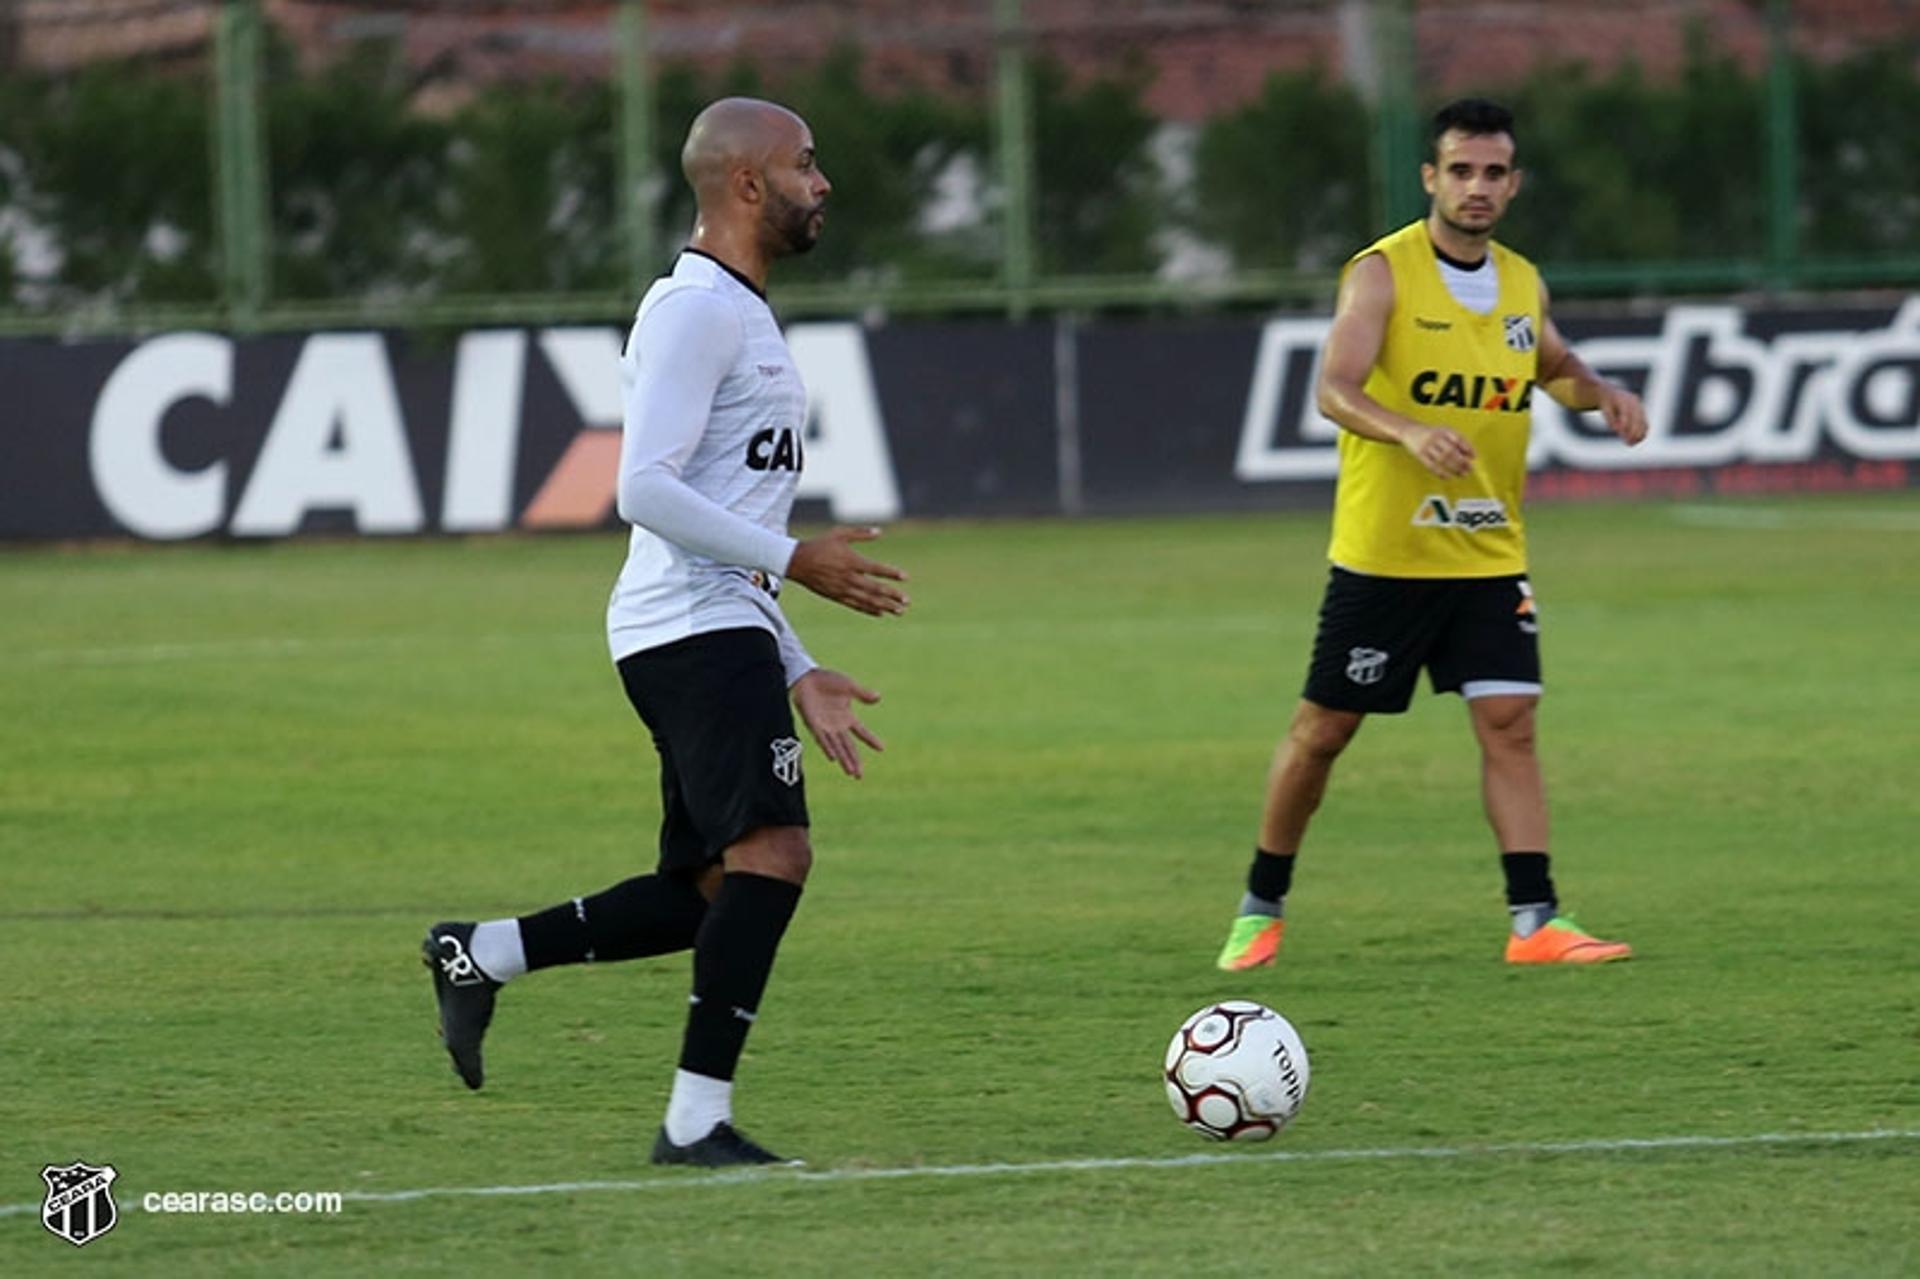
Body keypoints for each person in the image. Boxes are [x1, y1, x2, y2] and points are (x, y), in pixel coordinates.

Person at [423, 97, 910, 1167]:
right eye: (806, 164)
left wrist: (797, 663)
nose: (823, 183)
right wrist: (802, 562)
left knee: (706, 894)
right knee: (774, 854)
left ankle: (481, 953)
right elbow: (640, 487)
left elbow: (723, 518)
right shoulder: (696, 312)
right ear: (746, 184)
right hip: (689, 628)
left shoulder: (739, 310)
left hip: (710, 623)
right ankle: (695, 1122)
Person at [1214, 98, 1647, 973]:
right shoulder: (1381, 274)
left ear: (1513, 184)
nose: (1477, 187)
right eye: (1461, 170)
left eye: (1493, 173)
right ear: (1431, 178)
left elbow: (1551, 365)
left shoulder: (1523, 282)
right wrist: (1408, 430)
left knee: (1510, 723)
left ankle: (1535, 922)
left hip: (1489, 553)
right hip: (1387, 557)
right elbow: (1333, 387)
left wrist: (1601, 391)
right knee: (1323, 733)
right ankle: (1262, 901)